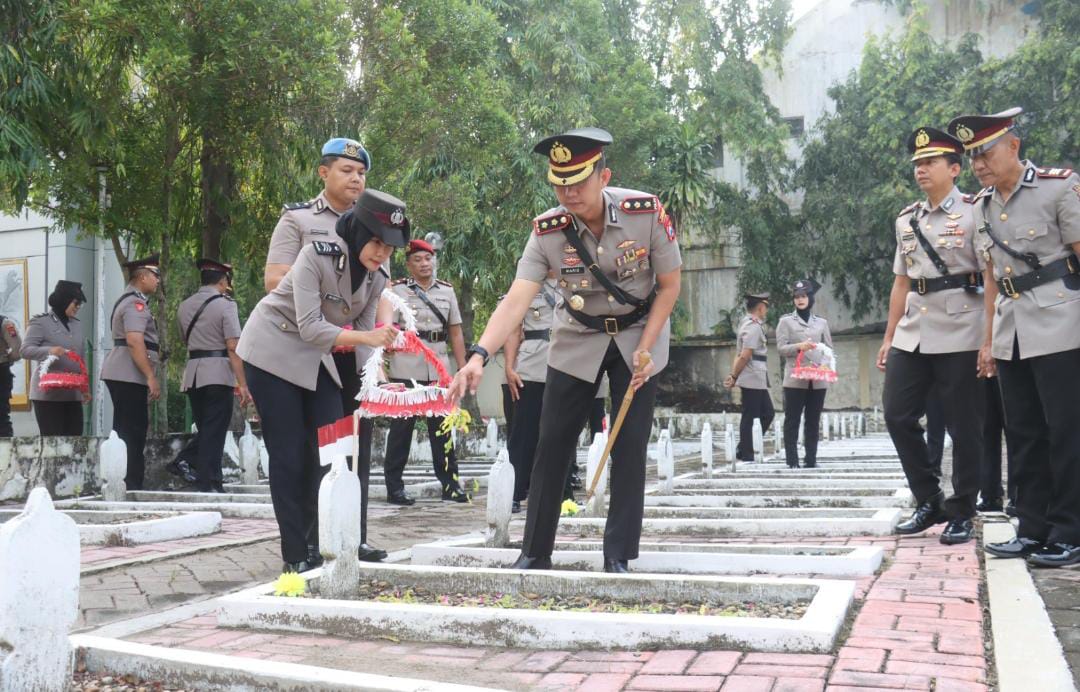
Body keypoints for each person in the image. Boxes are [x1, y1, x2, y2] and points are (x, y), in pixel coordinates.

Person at [449, 127, 682, 573]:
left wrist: (648, 348)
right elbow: (517, 298)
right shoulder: (547, 231)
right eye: (559, 183)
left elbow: (669, 286)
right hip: (578, 337)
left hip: (640, 336)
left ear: (604, 175)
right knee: (551, 441)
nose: (568, 193)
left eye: (578, 181)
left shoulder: (645, 212)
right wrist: (479, 355)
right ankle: (535, 551)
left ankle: (618, 554)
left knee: (629, 445)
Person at [238, 189, 407, 573]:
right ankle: (295, 554)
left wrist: (376, 383)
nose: (382, 254)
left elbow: (365, 335)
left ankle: (320, 543)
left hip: (318, 360)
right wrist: (369, 339)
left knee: (334, 454)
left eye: (390, 248)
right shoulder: (317, 254)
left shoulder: (376, 276)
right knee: (290, 456)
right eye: (376, 243)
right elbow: (312, 327)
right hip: (273, 353)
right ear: (358, 232)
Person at [947, 108, 1080, 566]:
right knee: (1023, 434)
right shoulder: (981, 206)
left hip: (1062, 325)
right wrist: (988, 341)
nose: (978, 164)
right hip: (1011, 331)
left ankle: (1070, 531)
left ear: (1013, 147)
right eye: (972, 157)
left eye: (985, 152)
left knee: (1066, 432)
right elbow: (989, 279)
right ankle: (1033, 527)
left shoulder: (1058, 187)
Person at [264, 137, 388, 562]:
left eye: (361, 173)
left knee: (351, 447)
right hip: (304, 348)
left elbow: (375, 297)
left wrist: (375, 367)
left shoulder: (377, 226)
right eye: (346, 171)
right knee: (304, 448)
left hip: (351, 352)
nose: (355, 179)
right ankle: (306, 542)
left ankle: (349, 531)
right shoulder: (298, 219)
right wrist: (327, 301)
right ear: (324, 173)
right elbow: (275, 280)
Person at [877, 126, 986, 546]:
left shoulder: (976, 212)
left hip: (962, 327)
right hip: (914, 330)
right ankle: (929, 498)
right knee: (896, 413)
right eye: (917, 164)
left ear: (954, 169)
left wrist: (990, 337)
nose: (921, 169)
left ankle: (962, 510)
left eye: (930, 162)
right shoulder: (907, 219)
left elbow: (991, 275)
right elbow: (901, 283)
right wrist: (889, 337)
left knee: (964, 426)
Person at [383, 239, 469, 505]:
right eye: (418, 260)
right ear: (409, 265)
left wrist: (462, 368)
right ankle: (395, 488)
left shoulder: (447, 291)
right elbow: (390, 330)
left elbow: (455, 331)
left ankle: (450, 485)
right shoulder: (397, 291)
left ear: (434, 261)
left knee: (442, 431)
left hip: (439, 369)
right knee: (401, 430)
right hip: (406, 366)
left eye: (428, 259)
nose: (424, 264)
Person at [174, 259, 251, 492]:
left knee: (208, 429)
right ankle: (206, 482)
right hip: (218, 373)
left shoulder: (184, 305)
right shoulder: (226, 305)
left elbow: (183, 339)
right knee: (215, 430)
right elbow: (232, 345)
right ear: (222, 281)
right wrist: (243, 383)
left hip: (194, 373)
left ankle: (208, 477)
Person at [102, 254, 162, 490]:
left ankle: (128, 480)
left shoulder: (130, 300)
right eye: (155, 276)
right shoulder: (135, 304)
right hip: (129, 373)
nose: (158, 281)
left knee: (128, 428)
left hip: (124, 371)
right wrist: (150, 376)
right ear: (143, 276)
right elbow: (135, 341)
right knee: (132, 431)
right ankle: (131, 483)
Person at [503, 273, 561, 513]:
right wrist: (509, 366)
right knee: (523, 432)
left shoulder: (577, 279)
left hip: (567, 363)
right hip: (531, 365)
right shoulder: (525, 285)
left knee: (561, 432)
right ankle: (515, 492)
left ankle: (561, 492)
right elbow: (513, 329)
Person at [775, 279, 832, 468]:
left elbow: (828, 350)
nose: (800, 300)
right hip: (795, 379)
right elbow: (781, 349)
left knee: (813, 420)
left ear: (810, 298)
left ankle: (811, 459)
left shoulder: (821, 323)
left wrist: (823, 366)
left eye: (803, 296)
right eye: (797, 297)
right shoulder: (786, 322)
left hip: (817, 380)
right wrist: (799, 346)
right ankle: (792, 461)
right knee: (792, 419)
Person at [23, 280, 87, 435]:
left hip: (72, 394)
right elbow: (25, 350)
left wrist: (85, 388)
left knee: (75, 442)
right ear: (64, 300)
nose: (78, 307)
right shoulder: (41, 322)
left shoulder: (76, 325)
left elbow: (81, 358)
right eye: (76, 303)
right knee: (53, 444)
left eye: (80, 304)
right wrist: (49, 350)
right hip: (48, 395)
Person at [724, 293, 773, 462]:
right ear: (760, 307)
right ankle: (746, 452)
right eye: (765, 307)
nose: (766, 310)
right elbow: (745, 355)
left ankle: (744, 447)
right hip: (752, 375)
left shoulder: (752, 324)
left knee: (766, 413)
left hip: (756, 376)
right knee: (752, 415)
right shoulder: (752, 326)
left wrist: (735, 375)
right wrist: (734, 375)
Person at [977, 375, 1014, 513]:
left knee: (1014, 428)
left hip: (1011, 360)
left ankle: (1017, 494)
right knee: (986, 428)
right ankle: (989, 494)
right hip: (981, 362)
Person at [0, 311, 21, 437]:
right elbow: (17, 350)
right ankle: (4, 454)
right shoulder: (4, 323)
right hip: (1, 373)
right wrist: (6, 359)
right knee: (2, 418)